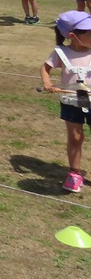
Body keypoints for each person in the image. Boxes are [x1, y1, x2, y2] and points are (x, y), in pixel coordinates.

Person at [40, 10, 91, 192]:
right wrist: (47, 83)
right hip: (71, 101)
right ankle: (74, 173)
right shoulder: (61, 52)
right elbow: (45, 68)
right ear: (72, 36)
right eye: (89, 32)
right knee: (75, 137)